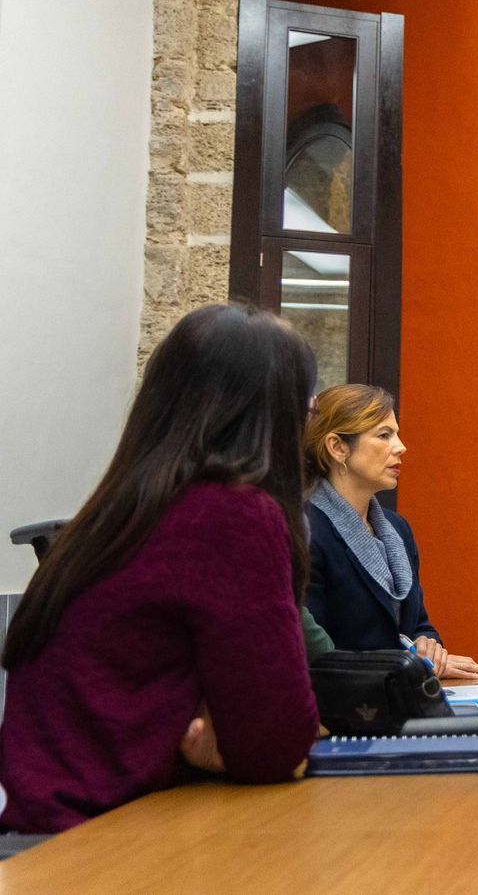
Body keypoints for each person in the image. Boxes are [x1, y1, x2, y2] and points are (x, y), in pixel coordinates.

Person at [0, 305, 322, 833]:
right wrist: (238, 741)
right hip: (99, 845)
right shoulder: (231, 513)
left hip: (49, 834)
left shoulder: (123, 509)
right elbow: (274, 741)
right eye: (305, 407)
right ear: (273, 415)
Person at [304, 385, 478, 678]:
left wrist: (428, 646)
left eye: (397, 434)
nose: (401, 446)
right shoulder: (306, 530)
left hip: (401, 701)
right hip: (341, 712)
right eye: (384, 435)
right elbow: (313, 652)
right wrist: (406, 663)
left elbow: (418, 625)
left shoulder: (397, 529)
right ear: (337, 447)